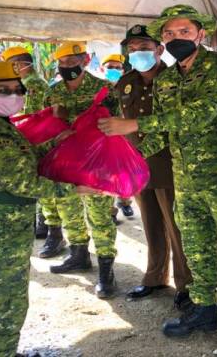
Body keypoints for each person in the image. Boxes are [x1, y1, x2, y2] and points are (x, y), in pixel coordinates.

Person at [98, 4, 217, 357]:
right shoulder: (168, 79)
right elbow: (168, 128)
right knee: (197, 246)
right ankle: (205, 308)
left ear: (201, 34)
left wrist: (137, 125)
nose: (175, 39)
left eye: (183, 32)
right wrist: (131, 158)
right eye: (169, 34)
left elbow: (199, 114)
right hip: (185, 178)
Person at [0, 61, 97, 357]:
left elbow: (21, 156)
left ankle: (4, 353)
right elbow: (23, 182)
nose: (14, 95)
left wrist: (53, 143)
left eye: (17, 89)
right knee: (0, 308)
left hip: (3, 236)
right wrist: (75, 188)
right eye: (2, 90)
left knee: (10, 303)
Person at [116, 24, 193, 308]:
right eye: (132, 49)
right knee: (150, 224)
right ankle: (155, 277)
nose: (137, 54)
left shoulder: (176, 80)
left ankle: (186, 284)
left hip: (170, 165)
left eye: (144, 48)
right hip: (137, 165)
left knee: (177, 227)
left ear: (159, 50)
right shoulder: (125, 82)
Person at [45, 42, 121, 299]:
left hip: (97, 163)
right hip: (66, 162)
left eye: (72, 61)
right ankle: (78, 254)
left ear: (85, 60)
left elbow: (115, 127)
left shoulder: (104, 89)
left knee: (100, 216)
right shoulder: (53, 91)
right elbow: (47, 125)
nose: (67, 67)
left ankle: (106, 271)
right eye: (62, 63)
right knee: (70, 210)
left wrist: (77, 130)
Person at [2, 46, 57, 240]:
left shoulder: (32, 83)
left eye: (11, 64)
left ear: (19, 64)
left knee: (38, 179)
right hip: (34, 137)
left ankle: (47, 226)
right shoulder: (26, 81)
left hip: (36, 139)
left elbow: (30, 117)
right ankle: (44, 223)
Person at [100, 53, 136, 222]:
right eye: (110, 67)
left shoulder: (129, 86)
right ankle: (110, 210)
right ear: (102, 69)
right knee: (107, 174)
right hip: (105, 137)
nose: (114, 70)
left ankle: (125, 201)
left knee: (124, 171)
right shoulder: (98, 89)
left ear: (123, 70)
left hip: (127, 136)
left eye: (117, 67)